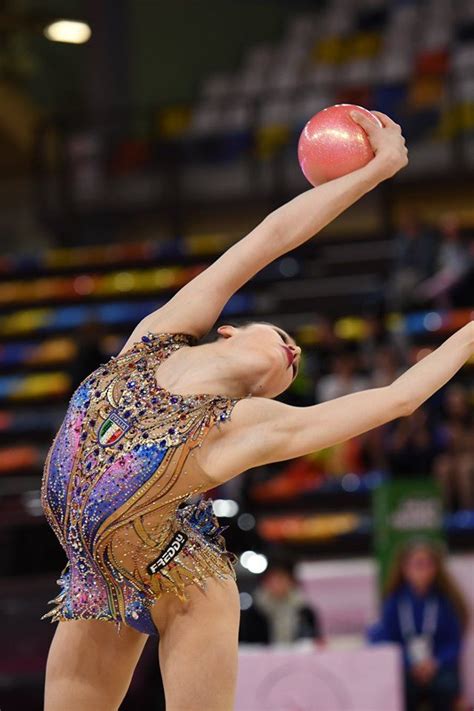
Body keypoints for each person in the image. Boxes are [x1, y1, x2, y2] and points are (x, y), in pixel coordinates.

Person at [40, 110, 474, 711]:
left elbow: (398, 398)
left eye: (294, 370)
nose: (294, 354)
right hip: (98, 577)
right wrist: (374, 174)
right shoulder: (157, 335)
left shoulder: (237, 429)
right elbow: (270, 238)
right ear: (227, 330)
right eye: (283, 338)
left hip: (183, 580)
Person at [368, 540, 469, 711]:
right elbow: (385, 639)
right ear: (404, 568)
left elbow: (454, 642)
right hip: (405, 667)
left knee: (444, 687)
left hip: (438, 666)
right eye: (417, 564)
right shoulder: (394, 602)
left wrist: (435, 662)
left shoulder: (445, 601)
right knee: (402, 688)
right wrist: (409, 663)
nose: (422, 570)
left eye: (428, 564)